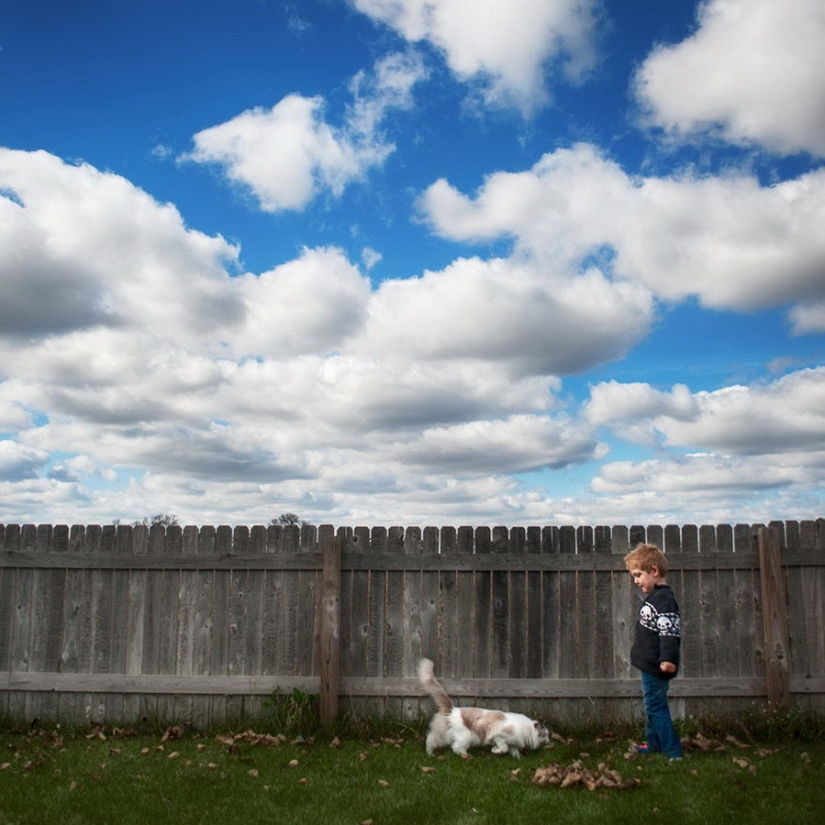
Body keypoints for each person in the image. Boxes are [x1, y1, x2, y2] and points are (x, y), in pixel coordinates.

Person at [623, 542, 683, 760]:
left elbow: (670, 633)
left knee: (656, 707)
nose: (636, 581)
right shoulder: (656, 598)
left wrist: (668, 658)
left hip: (658, 665)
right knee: (651, 706)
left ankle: (673, 751)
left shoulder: (665, 601)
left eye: (638, 575)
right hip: (649, 664)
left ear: (654, 571)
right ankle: (654, 744)